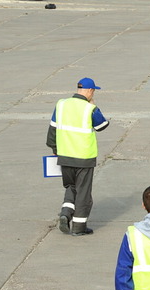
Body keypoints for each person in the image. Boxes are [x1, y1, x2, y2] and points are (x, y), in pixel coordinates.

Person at [47, 77, 110, 236]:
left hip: (64, 156)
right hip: (83, 158)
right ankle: (78, 227)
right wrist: (95, 107)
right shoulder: (89, 109)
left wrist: (55, 148)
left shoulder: (61, 105)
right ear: (90, 91)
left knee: (71, 187)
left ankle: (65, 213)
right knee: (83, 192)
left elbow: (52, 131)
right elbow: (102, 125)